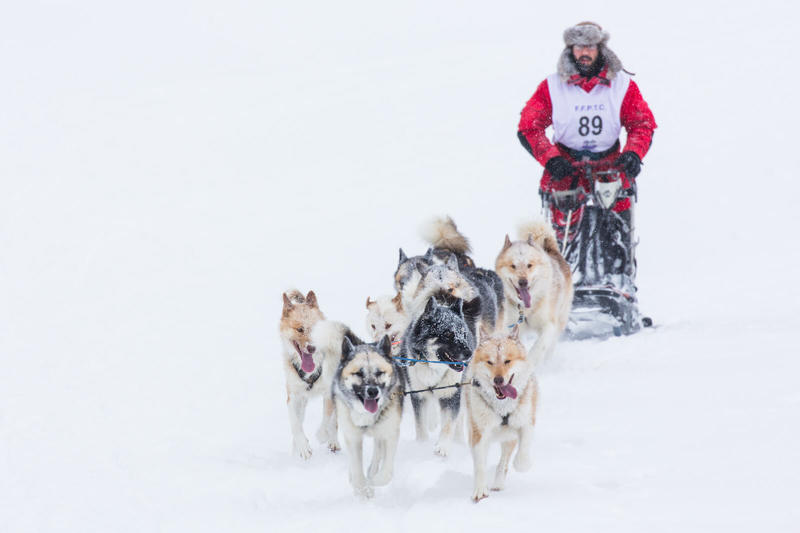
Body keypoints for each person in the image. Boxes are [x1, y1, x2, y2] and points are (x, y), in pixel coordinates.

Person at [517, 21, 657, 287]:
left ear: (600, 48)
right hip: (566, 166)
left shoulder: (621, 85)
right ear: (570, 49)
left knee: (617, 223)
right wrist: (551, 159)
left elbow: (642, 123)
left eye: (590, 46)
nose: (584, 52)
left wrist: (633, 153)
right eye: (579, 46)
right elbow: (529, 127)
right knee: (560, 229)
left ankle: (619, 278)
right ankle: (560, 281)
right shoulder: (552, 86)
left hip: (610, 164)